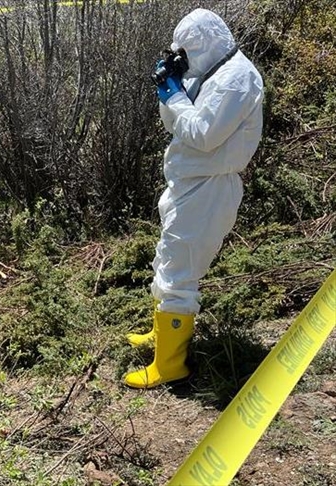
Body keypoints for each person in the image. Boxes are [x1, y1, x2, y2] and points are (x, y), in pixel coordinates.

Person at [124, 9, 264, 389]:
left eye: (185, 52)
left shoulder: (237, 80)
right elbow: (177, 126)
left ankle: (170, 365)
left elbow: (202, 134)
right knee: (167, 259)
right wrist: (172, 88)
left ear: (201, 45)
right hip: (189, 183)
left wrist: (176, 97)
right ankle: (164, 335)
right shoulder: (213, 71)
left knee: (179, 272)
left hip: (209, 187)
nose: (182, 59)